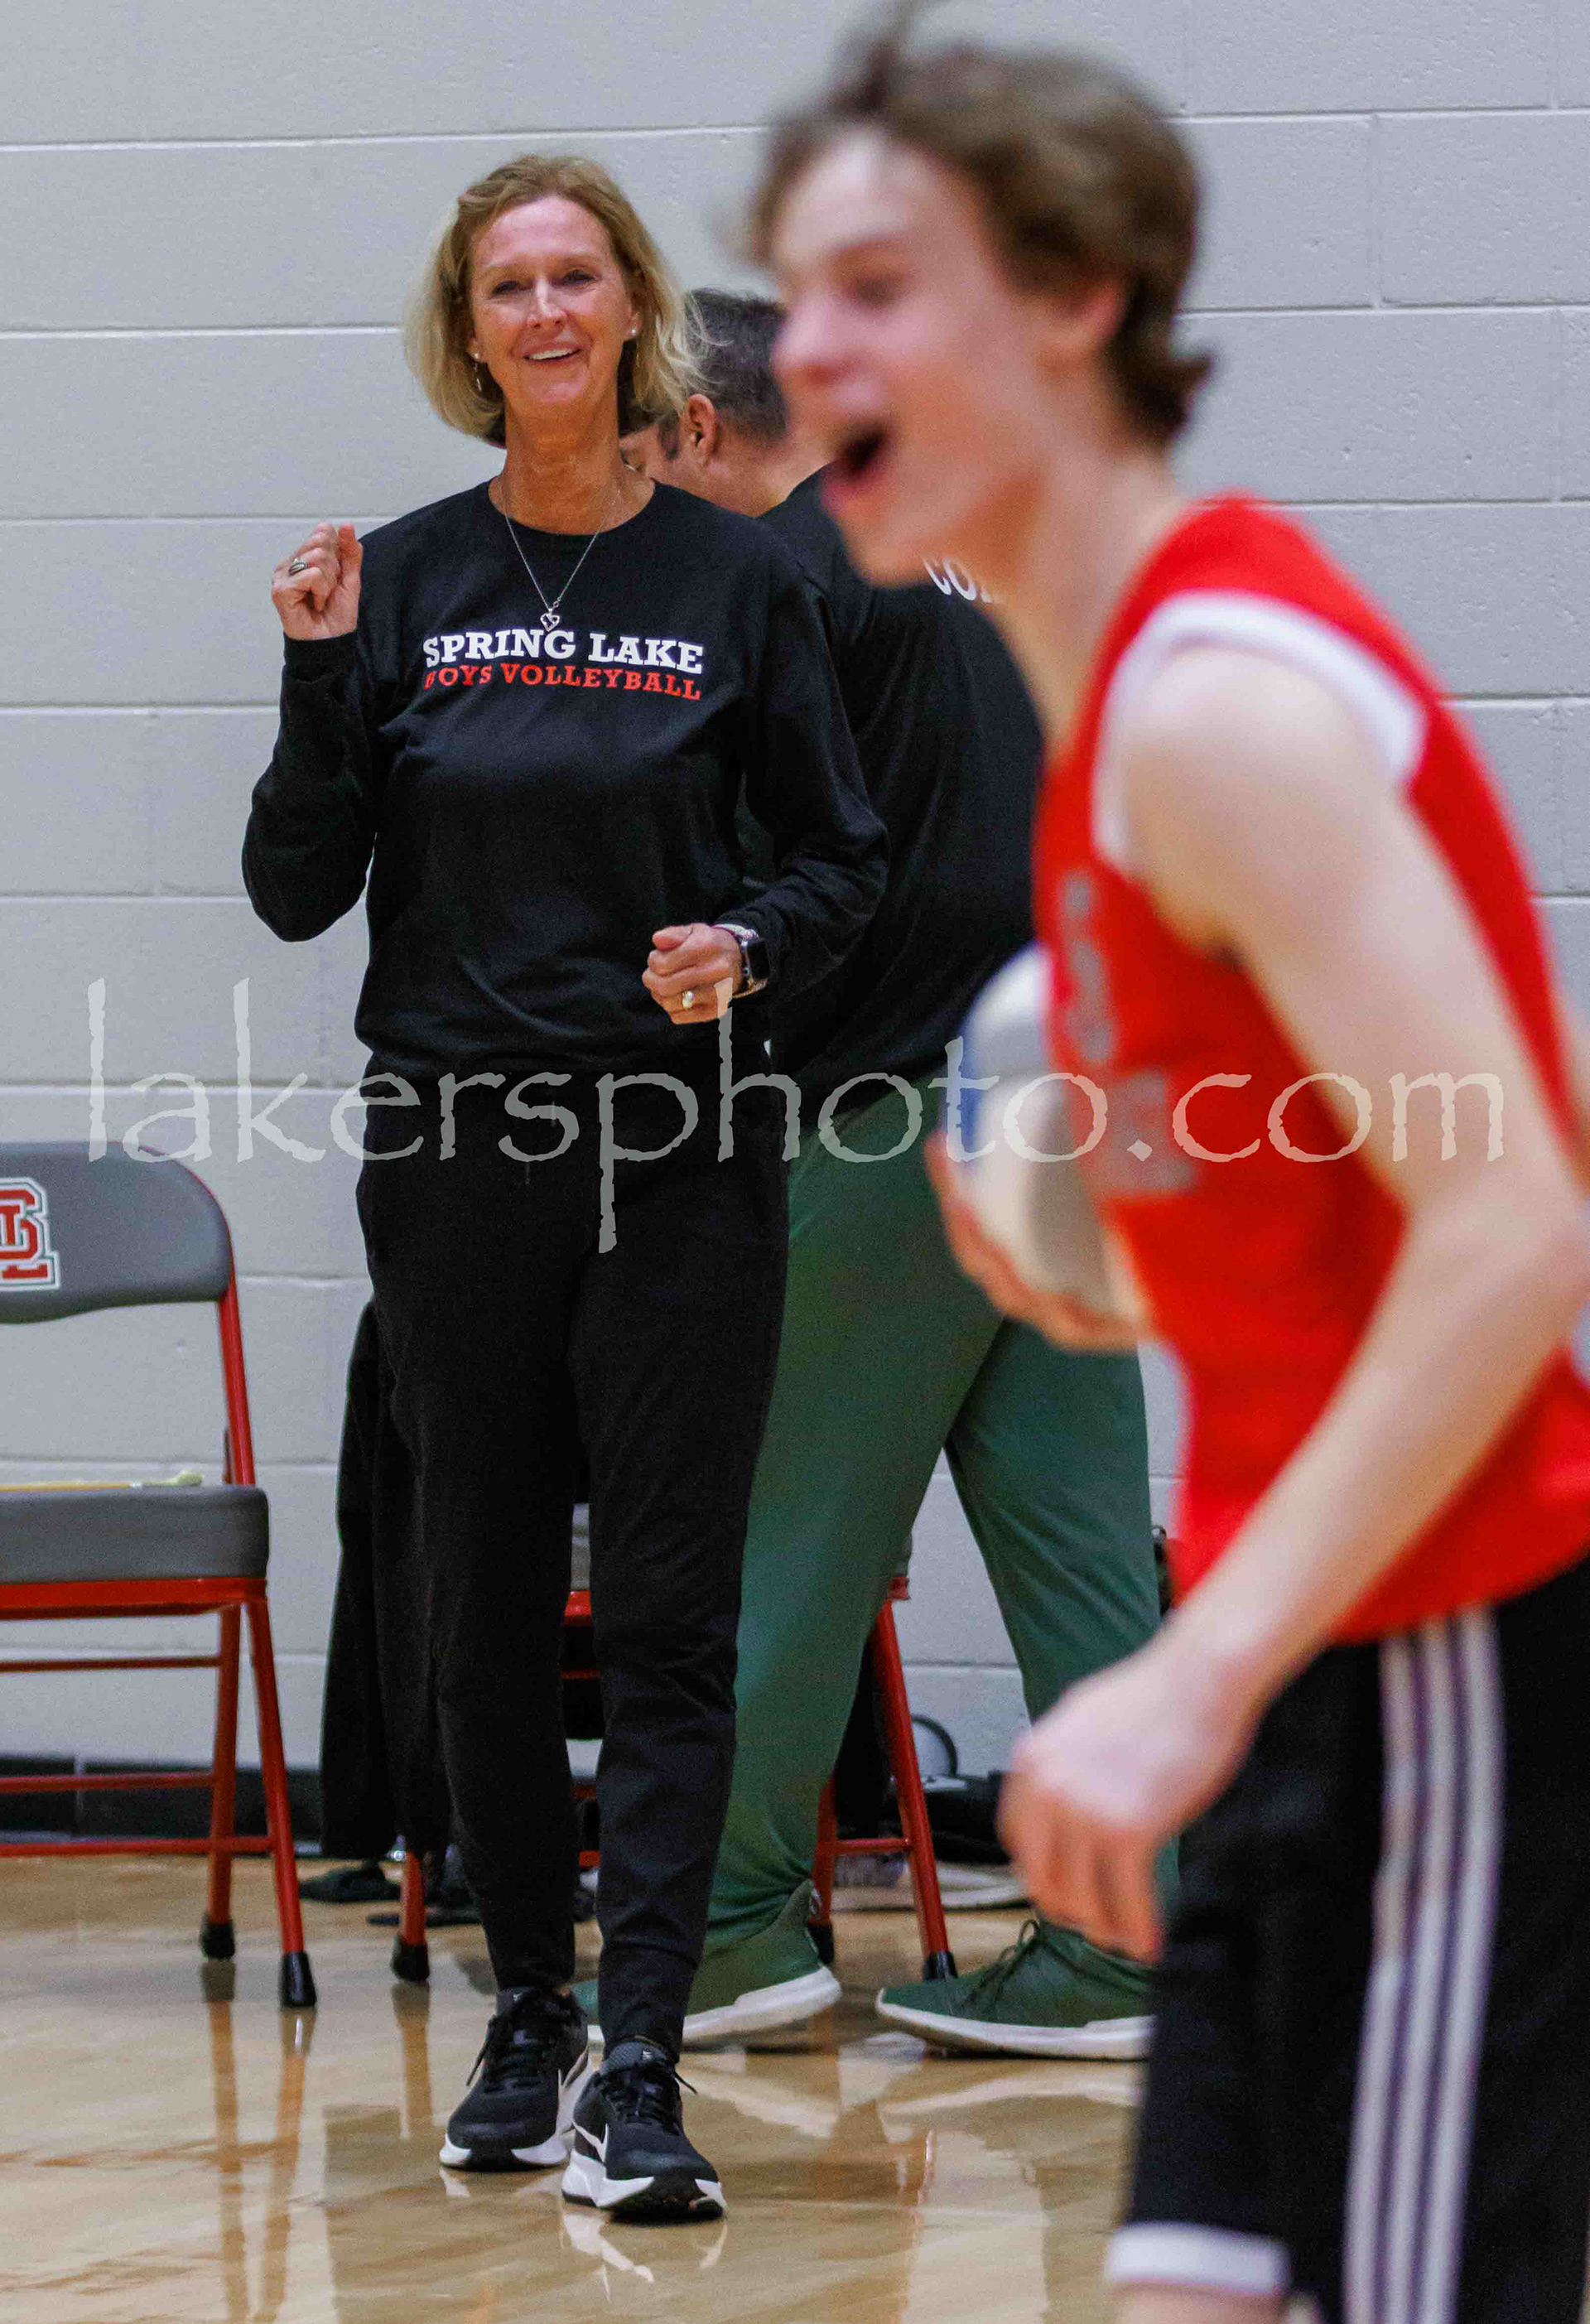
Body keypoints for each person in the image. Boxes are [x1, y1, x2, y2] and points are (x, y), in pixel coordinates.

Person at [755, 21, 1590, 2324]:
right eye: (796, 294)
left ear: (1074, 299)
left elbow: (1516, 1215)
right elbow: (1316, 1195)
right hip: (1293, 1645)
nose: (807, 347)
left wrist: (1194, 1673)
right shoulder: (1105, 714)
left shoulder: (1220, 707)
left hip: (1426, 1653)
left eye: (877, 287)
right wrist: (1104, 1250)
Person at [243, 152, 884, 2221]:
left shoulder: (740, 581)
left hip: (681, 1154)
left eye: (573, 277)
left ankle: (646, 2056)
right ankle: (529, 2011)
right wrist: (313, 670)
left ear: (629, 312)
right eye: (506, 283)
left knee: (676, 1612)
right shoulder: (399, 578)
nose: (542, 311)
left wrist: (750, 942)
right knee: (485, 1598)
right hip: (460, 1154)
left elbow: (844, 857)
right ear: (470, 326)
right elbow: (294, 886)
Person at [610, 287, 1163, 2059]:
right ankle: (1131, 1941)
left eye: (629, 456)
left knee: (779, 1531)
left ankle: (721, 1935)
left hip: (890, 1120)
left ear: (700, 429)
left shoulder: (777, 577)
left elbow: (749, 877)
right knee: (1083, 1552)